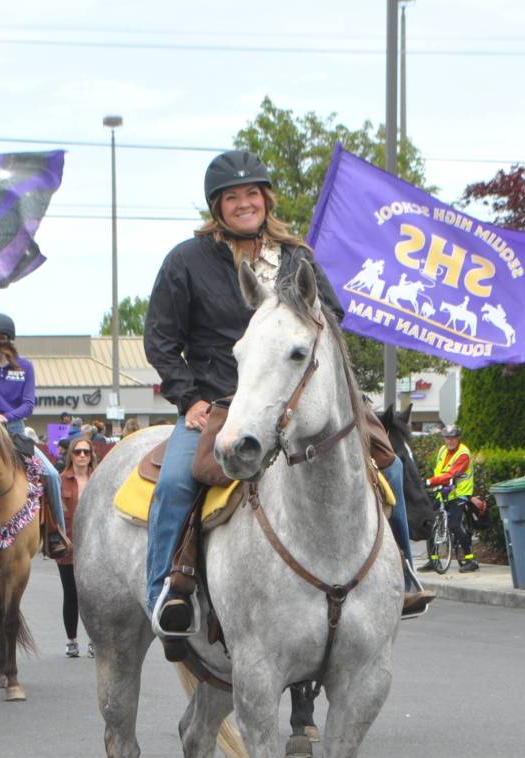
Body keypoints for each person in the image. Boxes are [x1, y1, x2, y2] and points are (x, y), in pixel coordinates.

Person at [143, 149, 433, 645]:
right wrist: (186, 397)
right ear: (218, 207)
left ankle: (402, 574)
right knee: (173, 484)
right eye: (231, 198)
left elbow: (333, 321)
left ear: (265, 199)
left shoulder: (298, 257)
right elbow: (161, 341)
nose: (243, 204)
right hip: (221, 401)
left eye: (251, 194)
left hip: (301, 394)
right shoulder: (185, 262)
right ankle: (167, 592)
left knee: (391, 466)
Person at [0, 313, 69, 558]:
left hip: (16, 433)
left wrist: (5, 417)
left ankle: (56, 535)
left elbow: (28, 404)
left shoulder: (25, 367)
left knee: (52, 475)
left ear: (2, 339)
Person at [420, 423, 479, 573]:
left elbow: (452, 473)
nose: (450, 441)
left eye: (453, 438)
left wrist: (430, 481)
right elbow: (439, 471)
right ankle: (433, 561)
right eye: (447, 438)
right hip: (443, 491)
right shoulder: (442, 451)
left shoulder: (463, 454)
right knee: (430, 522)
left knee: (454, 525)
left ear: (458, 438)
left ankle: (470, 559)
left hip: (459, 493)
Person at [57, 436, 96, 657]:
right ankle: (72, 640)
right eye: (78, 452)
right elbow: (53, 514)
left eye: (86, 452)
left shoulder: (99, 478)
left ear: (91, 456)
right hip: (68, 546)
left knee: (92, 595)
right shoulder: (60, 480)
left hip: (95, 548)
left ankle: (94, 640)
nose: (82, 455)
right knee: (71, 594)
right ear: (70, 455)